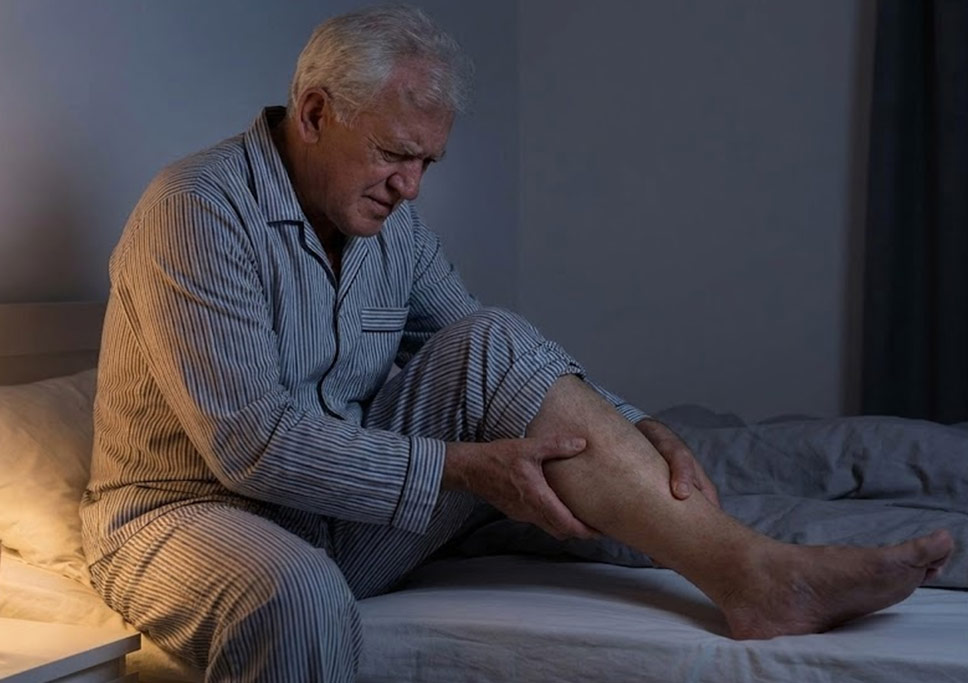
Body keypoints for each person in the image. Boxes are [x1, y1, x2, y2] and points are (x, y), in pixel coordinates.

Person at [81, 5, 953, 682]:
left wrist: (636, 425)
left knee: (492, 343)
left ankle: (758, 573)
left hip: (337, 514)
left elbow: (498, 360)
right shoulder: (196, 209)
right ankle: (763, 572)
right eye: (394, 154)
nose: (411, 187)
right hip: (192, 514)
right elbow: (252, 446)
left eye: (428, 163)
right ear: (314, 112)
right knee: (300, 594)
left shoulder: (389, 227)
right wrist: (461, 470)